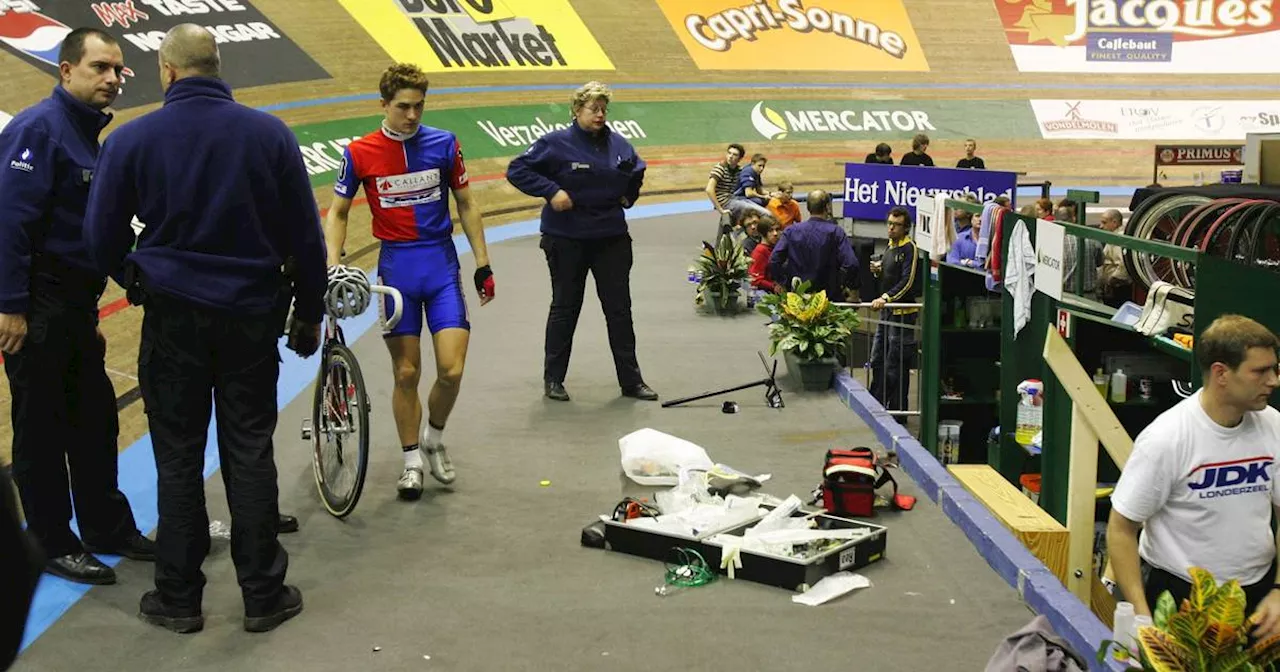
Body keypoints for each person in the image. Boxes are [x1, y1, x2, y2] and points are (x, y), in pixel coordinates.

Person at [83, 24, 325, 634]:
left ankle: (178, 598)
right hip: (250, 316)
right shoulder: (269, 134)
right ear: (219, 69)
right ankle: (264, 596)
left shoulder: (131, 139)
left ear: (166, 71)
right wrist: (310, 310)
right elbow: (305, 233)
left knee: (178, 457)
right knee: (249, 450)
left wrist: (134, 277)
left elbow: (98, 238)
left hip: (173, 321)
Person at [0, 27, 152, 586]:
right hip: (37, 308)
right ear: (65, 71)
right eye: (99, 69)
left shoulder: (88, 135)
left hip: (74, 308)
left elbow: (96, 230)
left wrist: (129, 281)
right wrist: (11, 307)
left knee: (93, 419)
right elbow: (9, 223)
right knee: (41, 429)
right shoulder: (40, 130)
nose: (112, 79)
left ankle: (105, 527)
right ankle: (49, 541)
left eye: (117, 70)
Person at [324, 63, 495, 499]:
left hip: (439, 264)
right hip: (397, 268)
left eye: (419, 106)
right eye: (404, 107)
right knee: (406, 372)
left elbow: (467, 203)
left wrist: (482, 262)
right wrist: (331, 264)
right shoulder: (359, 152)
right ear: (384, 105)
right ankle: (411, 461)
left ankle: (434, 437)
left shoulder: (444, 144)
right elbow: (339, 211)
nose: (413, 115)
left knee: (452, 371)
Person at [1107, 315, 1280, 640]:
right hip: (1181, 601)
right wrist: (1142, 618)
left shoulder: (1274, 426)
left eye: (1275, 369)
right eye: (1260, 371)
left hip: (1260, 597)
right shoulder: (1167, 439)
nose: (1273, 381)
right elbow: (1121, 527)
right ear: (1221, 374)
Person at [506, 81, 657, 403]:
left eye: (604, 109)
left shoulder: (620, 145)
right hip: (566, 239)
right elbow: (517, 169)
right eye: (593, 109)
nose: (600, 114)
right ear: (576, 111)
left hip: (611, 239)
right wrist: (551, 190)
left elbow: (636, 173)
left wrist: (629, 196)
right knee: (565, 308)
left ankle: (631, 382)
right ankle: (553, 380)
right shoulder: (555, 143)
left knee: (620, 311)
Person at [868, 207, 920, 412]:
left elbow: (908, 281)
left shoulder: (910, 248)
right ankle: (877, 403)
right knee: (877, 359)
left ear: (906, 227)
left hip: (902, 316)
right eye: (889, 223)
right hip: (887, 312)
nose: (891, 228)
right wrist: (878, 272)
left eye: (896, 225)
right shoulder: (890, 247)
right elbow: (890, 278)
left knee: (895, 366)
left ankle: (897, 411)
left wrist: (886, 297)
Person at [767, 190, 859, 299]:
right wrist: (853, 290)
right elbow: (851, 264)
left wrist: (783, 282)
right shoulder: (836, 232)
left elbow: (774, 260)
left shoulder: (791, 231)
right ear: (828, 207)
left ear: (808, 208)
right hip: (828, 299)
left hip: (797, 299)